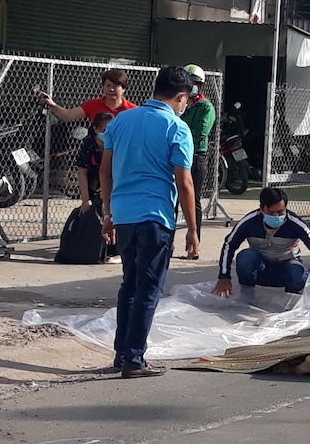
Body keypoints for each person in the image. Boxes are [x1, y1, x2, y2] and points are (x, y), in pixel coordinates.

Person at [100, 65, 199, 378]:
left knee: (129, 285)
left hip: (124, 215)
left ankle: (122, 354)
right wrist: (193, 229)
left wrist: (108, 213)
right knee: (149, 288)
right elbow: (184, 183)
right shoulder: (177, 128)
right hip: (156, 217)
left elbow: (105, 170)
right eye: (186, 100)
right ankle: (134, 359)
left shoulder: (121, 120)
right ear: (180, 96)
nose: (185, 106)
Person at [213, 188, 310, 298]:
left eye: (281, 212)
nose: (276, 216)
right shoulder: (249, 222)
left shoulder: (295, 224)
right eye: (271, 212)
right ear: (262, 208)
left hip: (286, 267)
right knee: (245, 258)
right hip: (260, 270)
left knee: (298, 274)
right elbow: (229, 245)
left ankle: (289, 302)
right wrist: (224, 277)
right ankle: (248, 297)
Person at [180, 64, 216, 247]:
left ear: (200, 86)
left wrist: (179, 136)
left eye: (194, 83)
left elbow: (201, 132)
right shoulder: (180, 104)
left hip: (195, 156)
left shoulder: (205, 107)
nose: (191, 86)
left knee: (192, 199)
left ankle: (194, 242)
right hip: (177, 155)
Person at [75, 112, 119, 261]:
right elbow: (82, 172)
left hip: (113, 185)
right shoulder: (89, 144)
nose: (108, 134)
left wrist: (108, 188)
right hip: (94, 185)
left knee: (115, 215)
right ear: (95, 129)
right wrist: (85, 199)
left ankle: (116, 251)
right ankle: (95, 249)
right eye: (104, 130)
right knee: (93, 217)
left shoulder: (118, 143)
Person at [39, 68, 136, 122]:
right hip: (97, 151)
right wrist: (52, 104)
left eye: (116, 86)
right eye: (108, 85)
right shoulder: (93, 105)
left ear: (124, 89)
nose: (111, 89)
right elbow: (69, 115)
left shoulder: (133, 110)